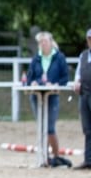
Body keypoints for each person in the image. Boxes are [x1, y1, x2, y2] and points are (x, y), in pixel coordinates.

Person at [26, 31, 70, 167]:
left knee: (50, 128)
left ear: (51, 42)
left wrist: (56, 84)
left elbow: (65, 77)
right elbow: (29, 77)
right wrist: (34, 82)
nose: (43, 44)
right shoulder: (36, 59)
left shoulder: (59, 57)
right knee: (41, 126)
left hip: (52, 95)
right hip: (37, 95)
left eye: (45, 41)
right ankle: (43, 156)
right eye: (41, 42)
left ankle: (56, 156)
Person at [72, 29, 91, 169]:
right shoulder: (83, 56)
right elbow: (78, 73)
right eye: (89, 39)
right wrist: (77, 81)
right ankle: (88, 159)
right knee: (87, 129)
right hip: (84, 94)